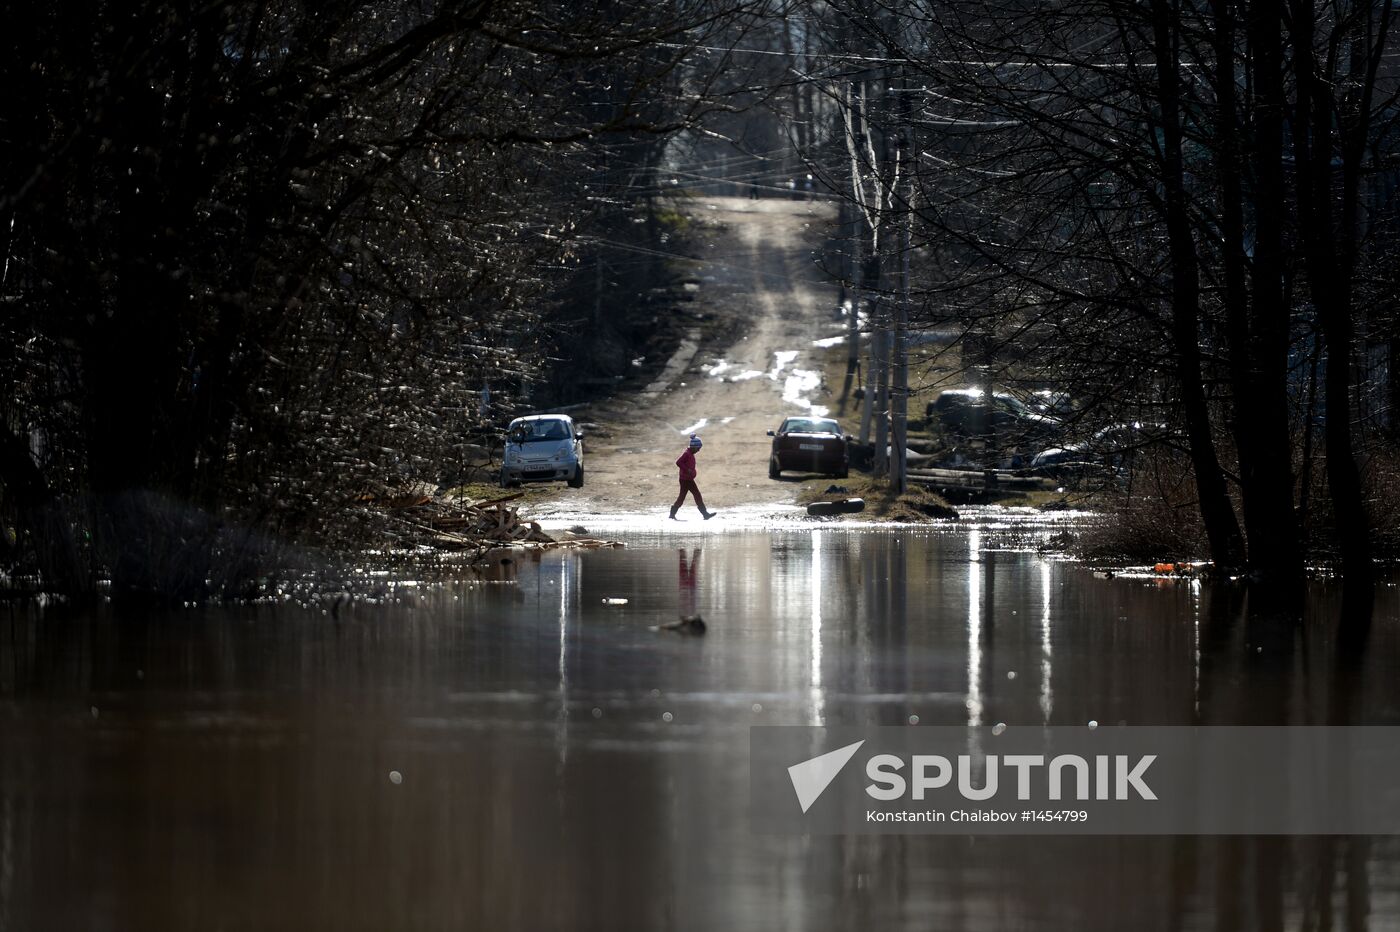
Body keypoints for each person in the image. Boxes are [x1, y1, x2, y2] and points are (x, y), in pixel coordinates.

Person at [670, 434, 715, 520]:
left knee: (689, 496)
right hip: (685, 480)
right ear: (693, 447)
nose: (698, 450)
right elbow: (678, 462)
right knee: (693, 495)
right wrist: (688, 470)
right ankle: (705, 514)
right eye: (698, 448)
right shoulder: (686, 453)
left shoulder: (690, 453)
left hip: (688, 479)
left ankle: (672, 514)